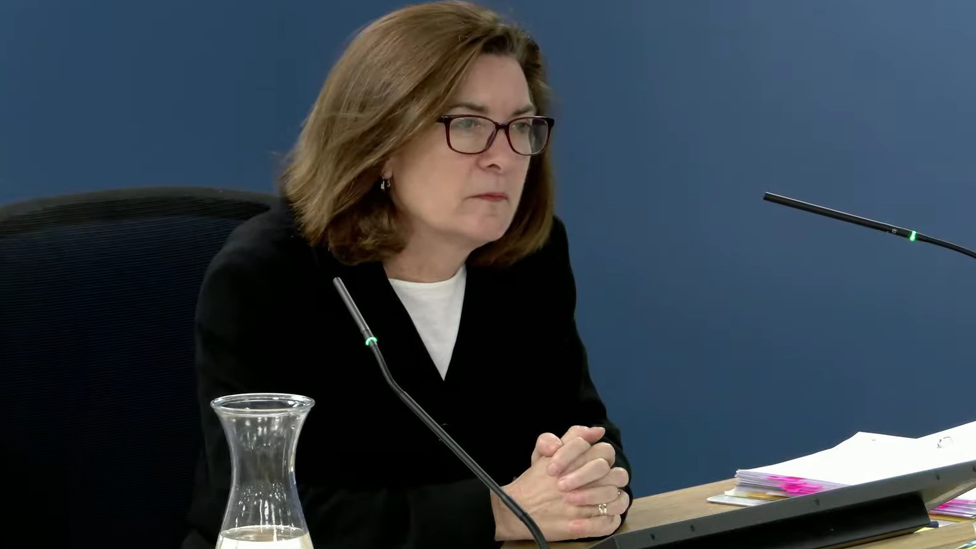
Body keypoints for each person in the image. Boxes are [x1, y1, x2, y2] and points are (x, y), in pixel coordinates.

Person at [184, 2, 632, 547]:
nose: (504, 157)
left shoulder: (528, 261)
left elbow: (586, 432)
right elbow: (260, 515)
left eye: (520, 126)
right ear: (383, 144)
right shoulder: (267, 279)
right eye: (468, 124)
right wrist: (495, 512)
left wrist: (591, 477)